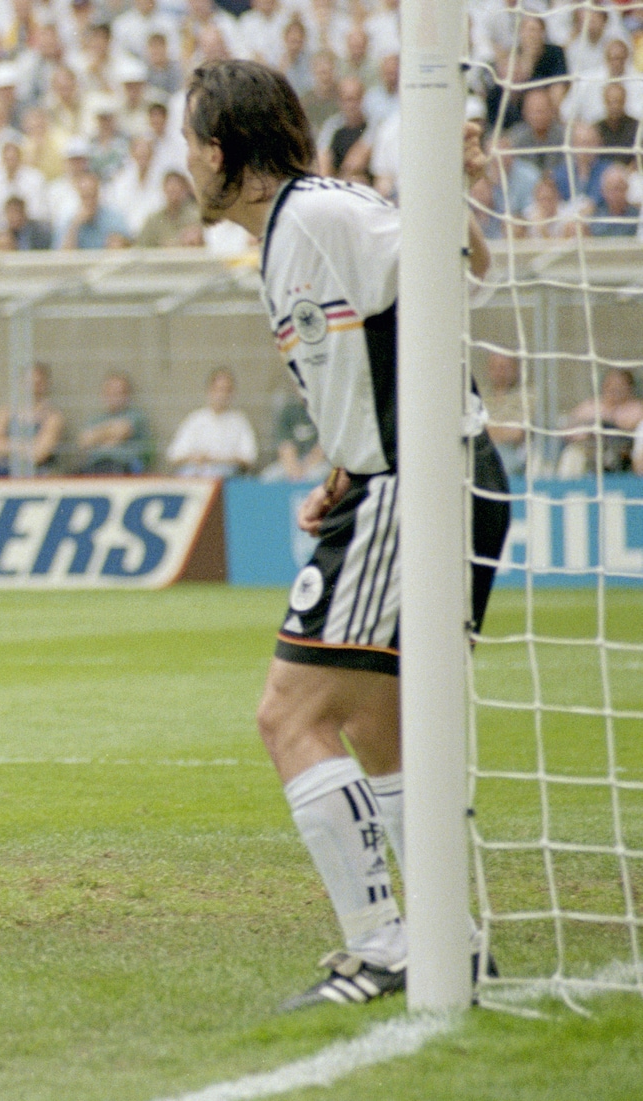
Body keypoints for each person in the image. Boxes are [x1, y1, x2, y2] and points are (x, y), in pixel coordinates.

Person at [182, 58, 510, 1010]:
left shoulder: (320, 215)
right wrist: (341, 459)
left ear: (218, 150)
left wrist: (456, 185)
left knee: (290, 716)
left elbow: (462, 261)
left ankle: (385, 943)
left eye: (188, 145)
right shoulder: (288, 237)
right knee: (378, 725)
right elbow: (380, 349)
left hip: (418, 483)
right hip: (406, 476)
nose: (184, 165)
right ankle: (454, 940)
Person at [165, 368, 257, 477]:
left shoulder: (239, 421)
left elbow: (249, 457)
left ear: (232, 393)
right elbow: (174, 455)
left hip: (227, 476)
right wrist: (195, 458)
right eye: (218, 389)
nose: (221, 395)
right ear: (210, 390)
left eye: (226, 390)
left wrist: (216, 459)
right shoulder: (195, 419)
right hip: (197, 475)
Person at [0, 364, 64, 475]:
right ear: (21, 384)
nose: (33, 388)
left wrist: (5, 445)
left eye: (37, 383)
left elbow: (39, 454)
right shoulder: (6, 413)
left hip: (37, 474)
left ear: (45, 385)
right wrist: (22, 446)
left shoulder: (52, 417)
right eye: (29, 383)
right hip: (2, 471)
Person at [76, 372, 154, 474]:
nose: (114, 396)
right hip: (96, 466)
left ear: (127, 395)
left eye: (119, 392)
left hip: (124, 467)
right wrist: (110, 435)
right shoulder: (96, 418)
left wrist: (98, 438)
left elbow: (122, 431)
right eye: (110, 392)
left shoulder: (136, 416)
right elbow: (83, 442)